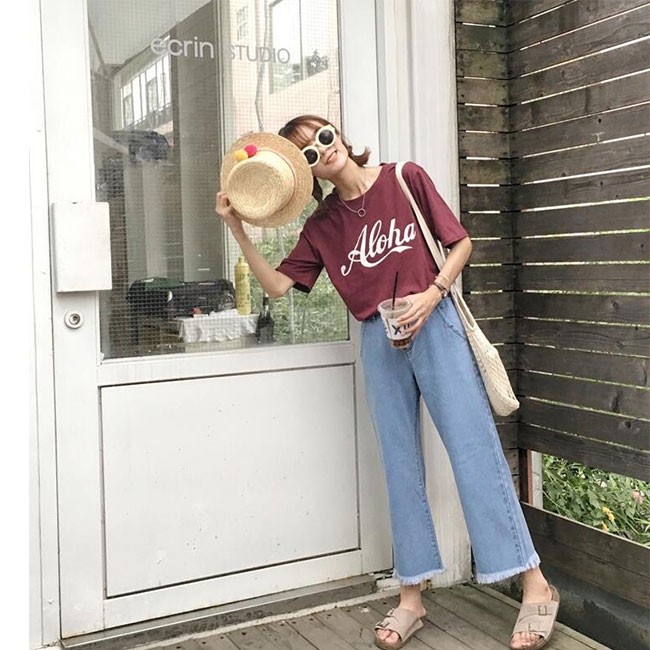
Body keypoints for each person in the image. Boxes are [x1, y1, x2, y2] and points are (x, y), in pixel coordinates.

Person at [216, 115, 560, 650]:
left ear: (339, 134)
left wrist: (434, 292)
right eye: (309, 153)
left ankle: (534, 582)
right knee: (400, 464)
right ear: (307, 173)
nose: (323, 150)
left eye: (324, 136)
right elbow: (279, 287)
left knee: (474, 449)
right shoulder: (324, 226)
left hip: (435, 321)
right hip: (379, 339)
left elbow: (460, 243)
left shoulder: (404, 178)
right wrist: (238, 230)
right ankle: (411, 596)